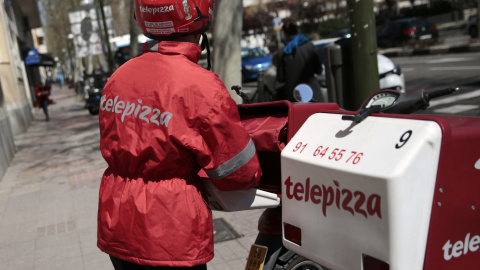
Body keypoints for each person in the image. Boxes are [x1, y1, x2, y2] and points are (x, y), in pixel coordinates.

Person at [97, 1, 262, 269]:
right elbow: (239, 172)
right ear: (200, 16)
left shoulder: (118, 78)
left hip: (119, 227)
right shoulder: (201, 86)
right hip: (170, 234)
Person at [273, 20, 323, 101]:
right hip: (313, 93)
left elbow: (280, 78)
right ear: (298, 31)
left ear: (285, 33)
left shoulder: (281, 53)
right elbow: (319, 70)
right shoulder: (309, 46)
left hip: (293, 96)